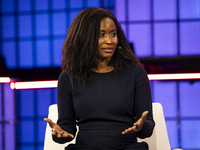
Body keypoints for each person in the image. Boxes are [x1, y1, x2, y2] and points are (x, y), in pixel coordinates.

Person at [44, 7, 155, 150]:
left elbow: (148, 123)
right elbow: (67, 127)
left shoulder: (135, 72)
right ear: (85, 38)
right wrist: (59, 133)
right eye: (101, 35)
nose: (110, 41)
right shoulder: (68, 77)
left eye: (113, 34)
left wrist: (141, 126)